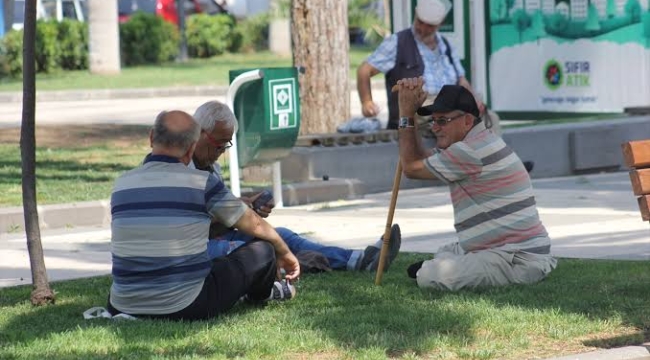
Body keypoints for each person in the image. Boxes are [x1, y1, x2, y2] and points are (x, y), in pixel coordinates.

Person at [107, 110, 301, 321]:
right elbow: (254, 225)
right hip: (187, 304)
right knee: (263, 250)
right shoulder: (201, 182)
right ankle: (264, 293)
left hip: (122, 303)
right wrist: (283, 251)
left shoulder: (121, 184)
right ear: (191, 148)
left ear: (152, 136)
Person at [189, 100, 402, 272]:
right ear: (199, 133)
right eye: (219, 143)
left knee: (282, 235)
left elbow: (219, 214)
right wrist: (237, 212)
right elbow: (188, 223)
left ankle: (358, 260)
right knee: (261, 247)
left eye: (227, 144)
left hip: (217, 237)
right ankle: (300, 262)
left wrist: (243, 206)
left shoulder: (211, 167)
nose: (222, 150)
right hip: (194, 248)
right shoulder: (182, 170)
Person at [394, 78, 556, 291]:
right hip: (514, 251)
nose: (435, 128)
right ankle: (445, 265)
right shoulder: (473, 142)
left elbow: (411, 168)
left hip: (517, 259)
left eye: (442, 121)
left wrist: (405, 115)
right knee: (446, 251)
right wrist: (411, 114)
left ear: (467, 121)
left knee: (428, 276)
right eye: (433, 121)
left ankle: (431, 269)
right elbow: (419, 159)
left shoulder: (467, 152)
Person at [356, 0, 496, 133]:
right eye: (420, 22)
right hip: (415, 114)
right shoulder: (398, 42)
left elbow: (461, 81)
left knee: (490, 118)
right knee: (454, 121)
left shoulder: (446, 45)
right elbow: (364, 70)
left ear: (440, 24)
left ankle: (492, 158)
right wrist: (367, 102)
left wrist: (474, 102)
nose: (423, 29)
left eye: (429, 25)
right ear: (415, 15)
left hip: (448, 108)